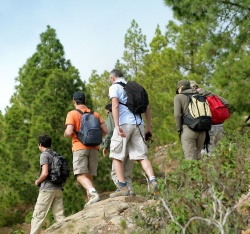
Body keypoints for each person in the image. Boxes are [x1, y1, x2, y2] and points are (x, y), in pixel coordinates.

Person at [108, 69, 157, 198]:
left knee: (116, 155)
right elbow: (147, 108)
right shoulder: (136, 87)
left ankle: (122, 187)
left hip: (124, 124)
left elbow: (115, 105)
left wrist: (117, 126)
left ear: (113, 78)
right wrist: (149, 127)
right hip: (138, 124)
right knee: (142, 156)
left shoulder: (115, 87)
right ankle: (153, 180)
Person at [64, 91, 108, 206]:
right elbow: (105, 131)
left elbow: (69, 132)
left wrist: (66, 134)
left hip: (80, 147)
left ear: (74, 101)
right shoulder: (95, 114)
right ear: (85, 101)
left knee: (80, 175)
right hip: (94, 148)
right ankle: (91, 201)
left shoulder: (72, 114)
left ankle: (93, 193)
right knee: (89, 176)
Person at [30, 134, 65, 234]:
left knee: (38, 215)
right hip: (58, 188)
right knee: (59, 216)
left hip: (47, 189)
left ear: (40, 144)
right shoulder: (55, 154)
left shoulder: (44, 155)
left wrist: (38, 181)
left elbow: (45, 173)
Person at [102, 103, 135, 195]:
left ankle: (122, 190)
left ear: (108, 110)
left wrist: (105, 146)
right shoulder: (128, 114)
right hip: (131, 143)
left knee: (115, 172)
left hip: (119, 143)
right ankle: (130, 191)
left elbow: (109, 132)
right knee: (127, 171)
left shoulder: (112, 116)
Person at [190, 80, 230, 154]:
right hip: (220, 125)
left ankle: (211, 165)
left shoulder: (195, 97)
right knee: (219, 149)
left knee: (208, 151)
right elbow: (226, 103)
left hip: (209, 126)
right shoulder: (211, 94)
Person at [174, 80, 206, 160]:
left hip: (188, 129)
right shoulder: (199, 94)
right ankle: (204, 172)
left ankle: (194, 173)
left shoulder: (179, 97)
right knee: (199, 157)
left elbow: (177, 115)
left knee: (190, 160)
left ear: (180, 88)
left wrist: (179, 129)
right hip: (202, 129)